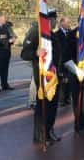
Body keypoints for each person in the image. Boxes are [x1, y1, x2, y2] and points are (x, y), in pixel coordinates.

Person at [21, 9, 61, 145]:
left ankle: (49, 131)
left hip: (54, 77)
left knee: (53, 106)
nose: (56, 21)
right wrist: (36, 52)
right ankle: (40, 136)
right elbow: (24, 53)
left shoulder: (53, 35)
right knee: (43, 107)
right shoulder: (36, 32)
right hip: (42, 77)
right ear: (48, 20)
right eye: (54, 19)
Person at [0, 13, 16, 92]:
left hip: (6, 51)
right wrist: (8, 41)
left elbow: (8, 37)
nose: (5, 19)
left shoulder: (5, 27)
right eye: (4, 18)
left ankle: (5, 84)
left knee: (5, 69)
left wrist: (12, 40)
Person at [55, 17, 72, 106]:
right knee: (62, 81)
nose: (68, 24)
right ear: (62, 23)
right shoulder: (57, 34)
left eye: (69, 22)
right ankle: (61, 100)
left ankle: (67, 98)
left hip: (69, 60)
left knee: (68, 79)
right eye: (67, 22)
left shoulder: (70, 33)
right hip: (61, 60)